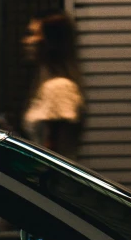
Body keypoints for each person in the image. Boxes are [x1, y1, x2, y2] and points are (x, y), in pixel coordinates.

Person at [20, 11, 84, 158]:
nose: (26, 41)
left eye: (33, 34)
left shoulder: (59, 87)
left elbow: (53, 155)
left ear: (51, 41)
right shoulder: (48, 84)